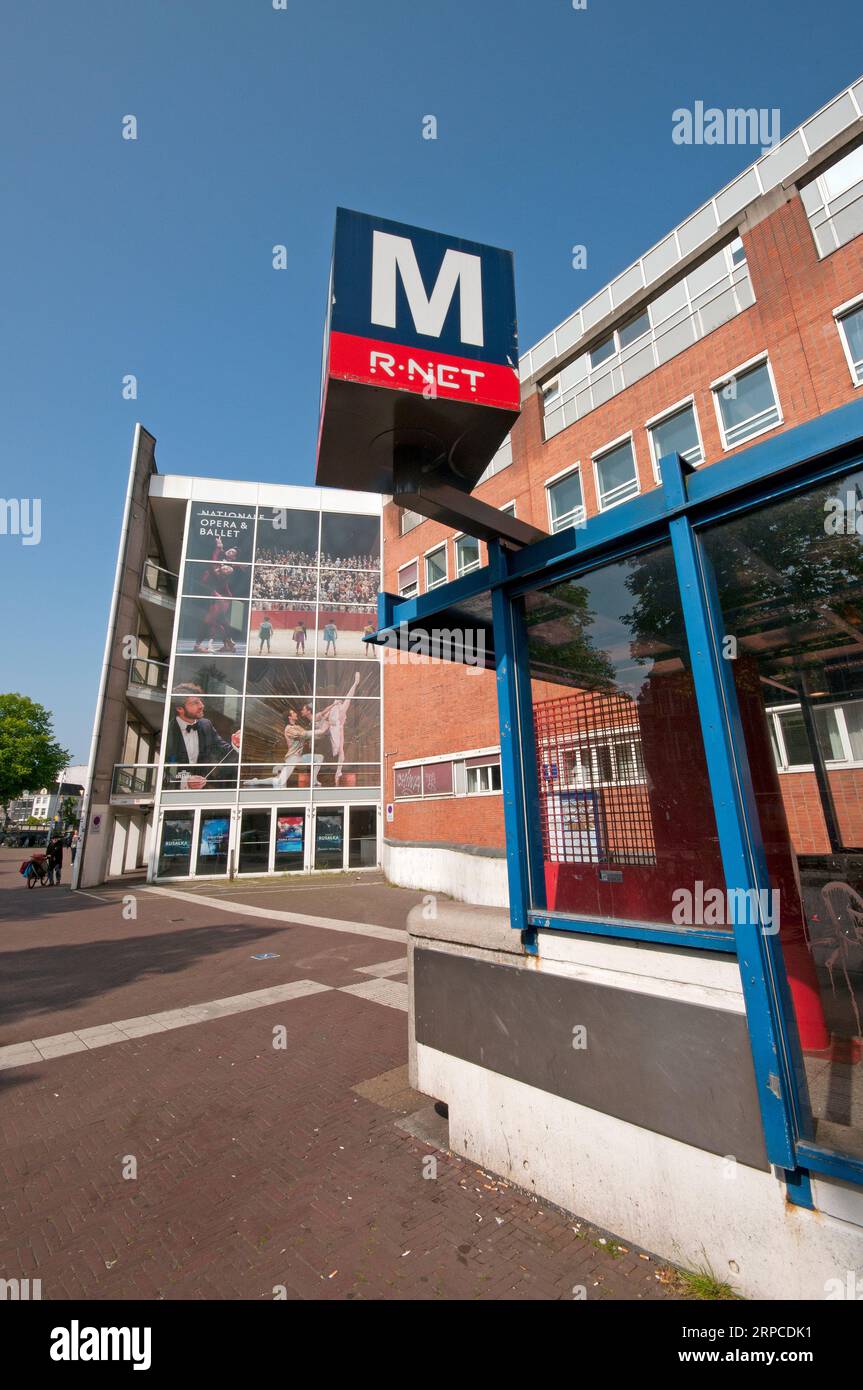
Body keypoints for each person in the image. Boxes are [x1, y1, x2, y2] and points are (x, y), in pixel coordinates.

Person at [164, 684, 240, 788]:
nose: (201, 706)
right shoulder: (168, 732)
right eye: (195, 703)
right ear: (179, 709)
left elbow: (224, 754)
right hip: (174, 795)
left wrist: (235, 745)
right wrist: (185, 782)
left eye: (200, 701)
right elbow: (163, 773)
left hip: (205, 792)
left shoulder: (206, 725)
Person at [243, 705, 322, 788]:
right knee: (279, 782)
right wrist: (321, 730)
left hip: (299, 757)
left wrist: (323, 731)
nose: (296, 714)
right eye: (293, 713)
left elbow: (309, 735)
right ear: (289, 717)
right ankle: (255, 782)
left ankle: (314, 780)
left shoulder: (298, 727)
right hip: (293, 758)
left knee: (319, 757)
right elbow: (304, 734)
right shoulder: (288, 729)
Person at [315, 671, 361, 784]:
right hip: (333, 729)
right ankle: (336, 772)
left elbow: (349, 697)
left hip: (337, 729)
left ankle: (338, 772)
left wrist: (355, 683)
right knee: (338, 750)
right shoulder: (335, 711)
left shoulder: (340, 710)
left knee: (341, 752)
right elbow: (324, 719)